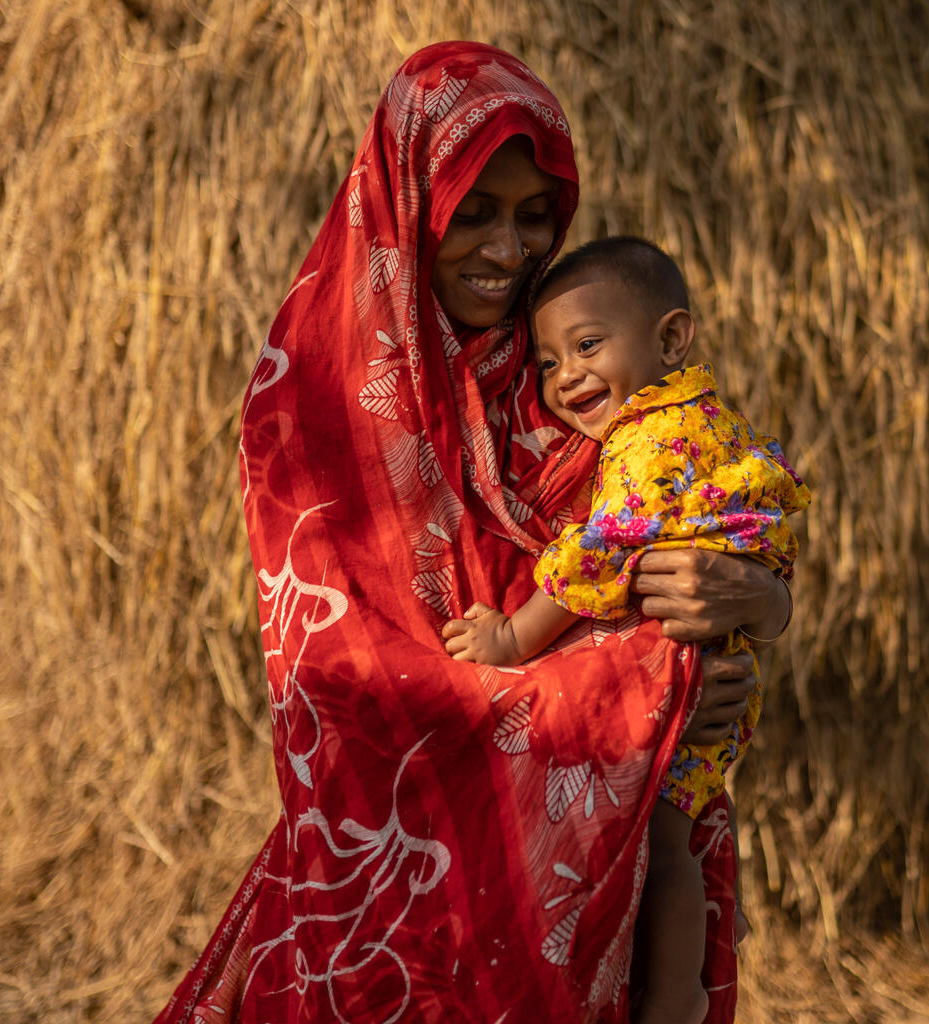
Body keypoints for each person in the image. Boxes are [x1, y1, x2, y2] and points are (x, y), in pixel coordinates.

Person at [153, 42, 792, 1024]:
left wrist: (757, 601)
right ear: (412, 198)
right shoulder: (316, 405)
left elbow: (679, 524)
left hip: (606, 867)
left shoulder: (570, 379)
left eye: (536, 217)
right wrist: (643, 696)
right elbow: (364, 691)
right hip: (400, 865)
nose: (510, 248)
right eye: (476, 213)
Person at [442, 237, 809, 1024]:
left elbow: (597, 553)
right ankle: (695, 958)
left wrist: (509, 641)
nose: (565, 375)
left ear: (671, 339)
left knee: (667, 847)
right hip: (712, 666)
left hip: (690, 676)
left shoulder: (646, 445)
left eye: (587, 346)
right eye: (546, 361)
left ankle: (673, 998)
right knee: (673, 828)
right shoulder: (707, 421)